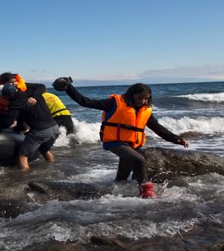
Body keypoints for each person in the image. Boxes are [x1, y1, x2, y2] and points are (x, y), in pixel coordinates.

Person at [52, 76, 189, 198]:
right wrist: (69, 88)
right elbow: (85, 101)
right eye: (139, 98)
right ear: (131, 95)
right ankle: (147, 193)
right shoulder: (114, 103)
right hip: (115, 142)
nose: (142, 101)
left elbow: (159, 129)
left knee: (123, 177)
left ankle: (115, 197)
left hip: (132, 145)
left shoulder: (145, 111)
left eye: (146, 98)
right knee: (139, 160)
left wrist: (177, 139)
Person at [0, 75, 60, 170]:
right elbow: (22, 117)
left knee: (22, 156)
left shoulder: (16, 103)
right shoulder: (31, 93)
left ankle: (24, 179)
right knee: (44, 149)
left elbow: (8, 122)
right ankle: (53, 168)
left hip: (40, 131)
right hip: (55, 128)